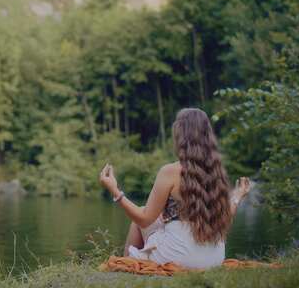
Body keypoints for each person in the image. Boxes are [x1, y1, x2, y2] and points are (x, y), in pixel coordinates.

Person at [99, 108, 251, 269]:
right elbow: (225, 218)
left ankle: (127, 263)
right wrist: (238, 195)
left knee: (139, 219)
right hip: (214, 259)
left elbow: (144, 219)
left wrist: (115, 191)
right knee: (159, 222)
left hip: (179, 257)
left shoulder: (170, 171)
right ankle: (131, 261)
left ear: (181, 136)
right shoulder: (217, 172)